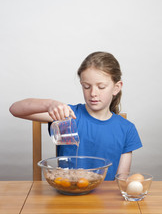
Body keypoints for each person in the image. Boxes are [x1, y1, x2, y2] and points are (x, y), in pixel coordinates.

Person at [9, 51, 142, 180]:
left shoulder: (127, 129)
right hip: (67, 194)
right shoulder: (67, 115)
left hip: (105, 200)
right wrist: (49, 104)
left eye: (101, 87)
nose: (93, 93)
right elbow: (15, 109)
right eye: (86, 86)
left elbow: (121, 178)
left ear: (116, 88)